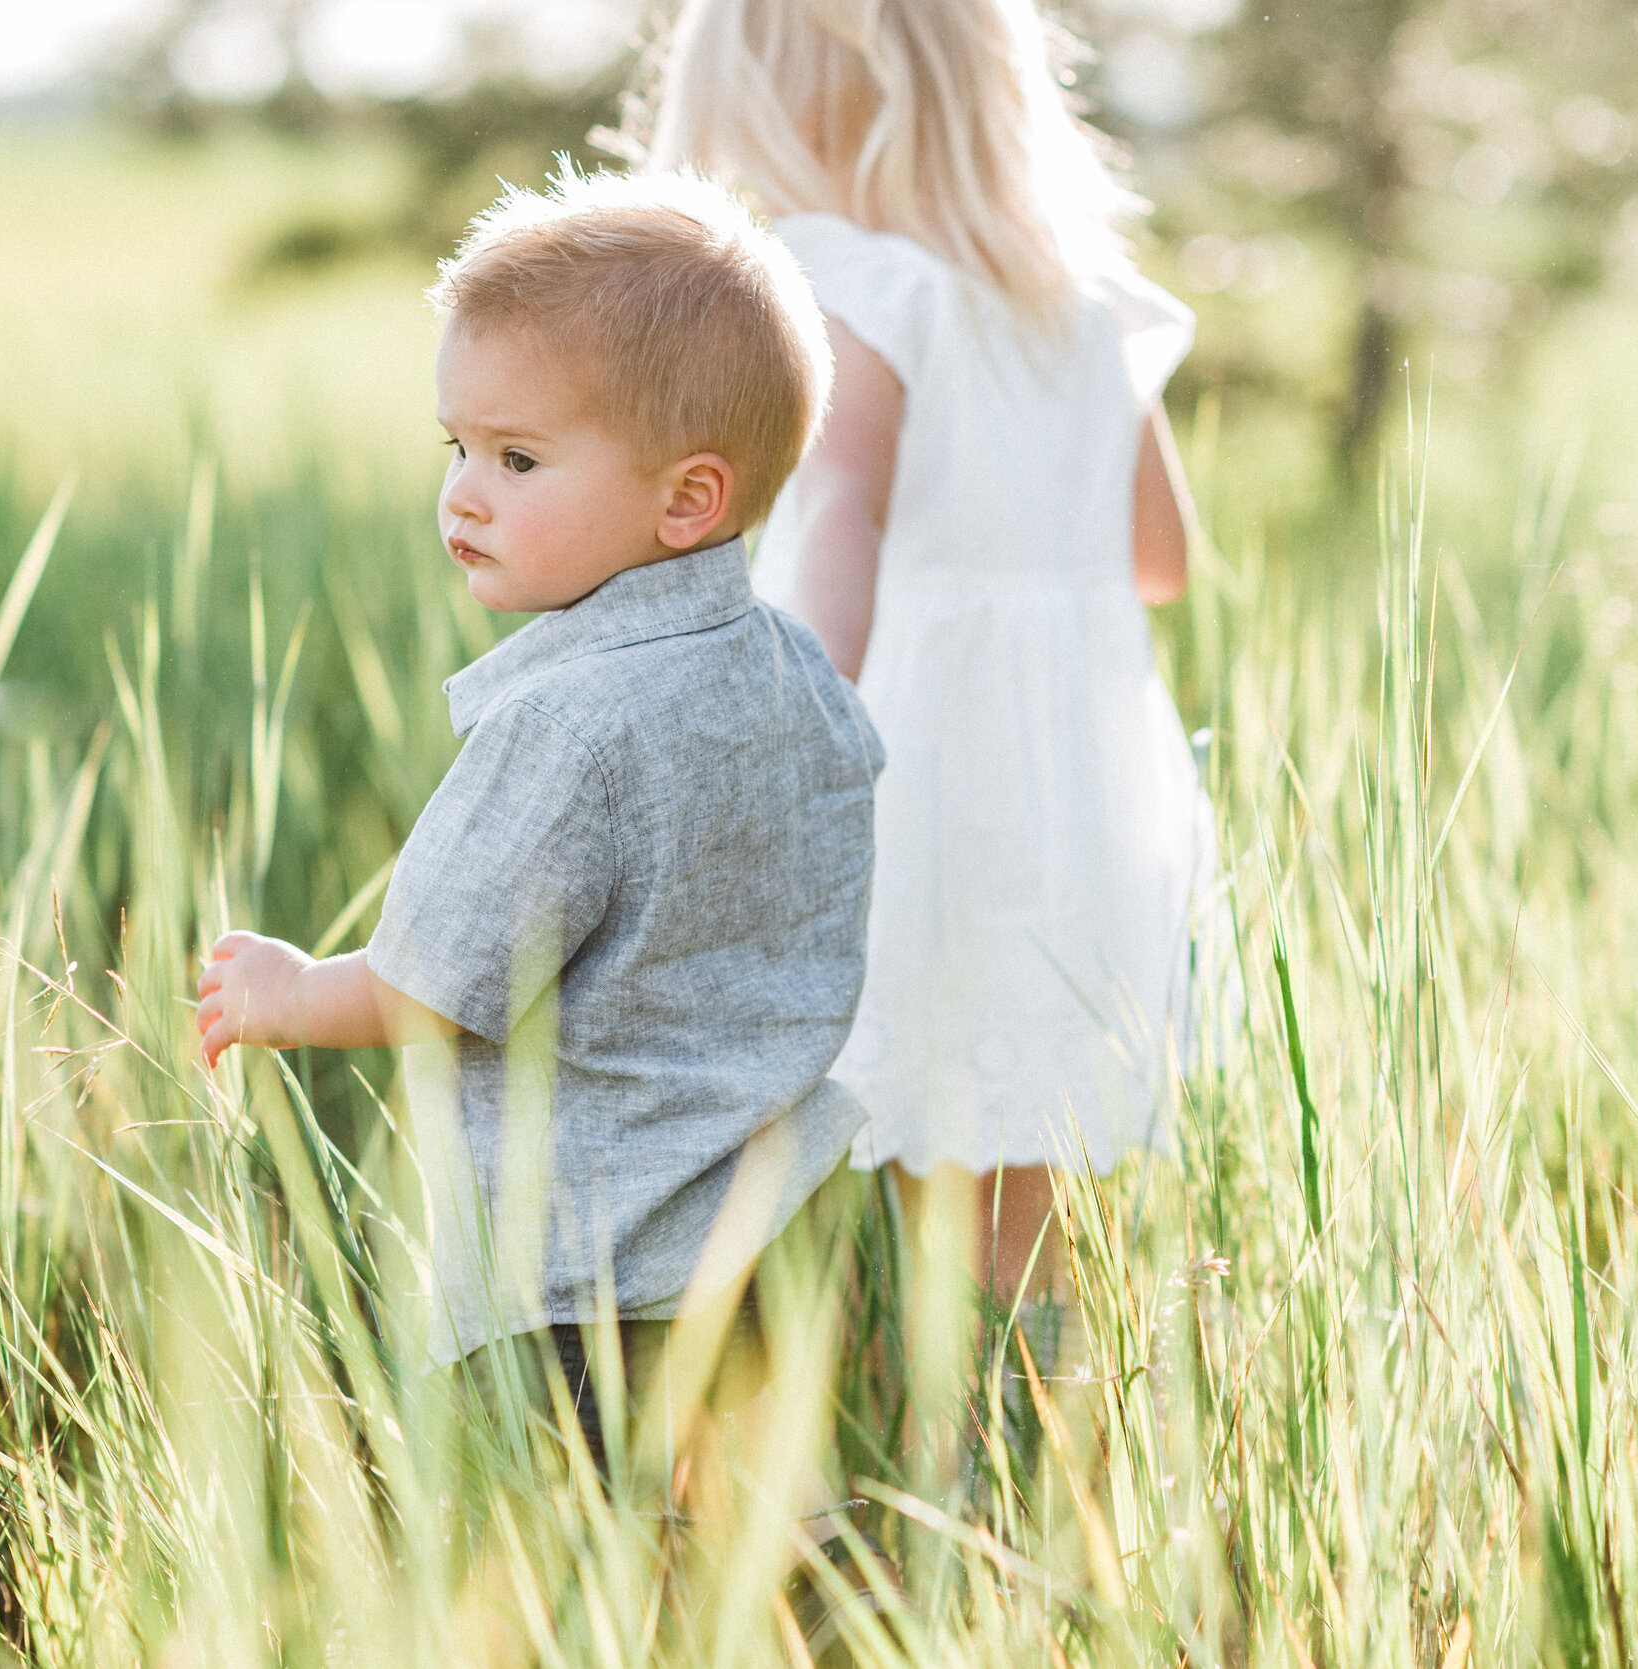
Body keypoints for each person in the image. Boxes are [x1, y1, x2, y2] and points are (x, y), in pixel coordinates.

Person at [195, 170, 884, 1522]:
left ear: (688, 499)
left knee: (551, 1570)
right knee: (746, 1555)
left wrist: (285, 990)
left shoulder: (565, 727)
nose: (464, 494)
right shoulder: (800, 674)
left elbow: (427, 989)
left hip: (584, 1279)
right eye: (453, 445)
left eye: (518, 459)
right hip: (779, 1232)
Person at [644, 0, 1224, 1416]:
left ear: (779, 114)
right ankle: (1043, 1448)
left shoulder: (843, 280)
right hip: (1085, 787)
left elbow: (842, 506)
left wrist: (790, 711)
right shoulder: (1081, 298)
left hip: (929, 768)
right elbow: (1162, 559)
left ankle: (925, 1467)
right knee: (1017, 1162)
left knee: (916, 1140)